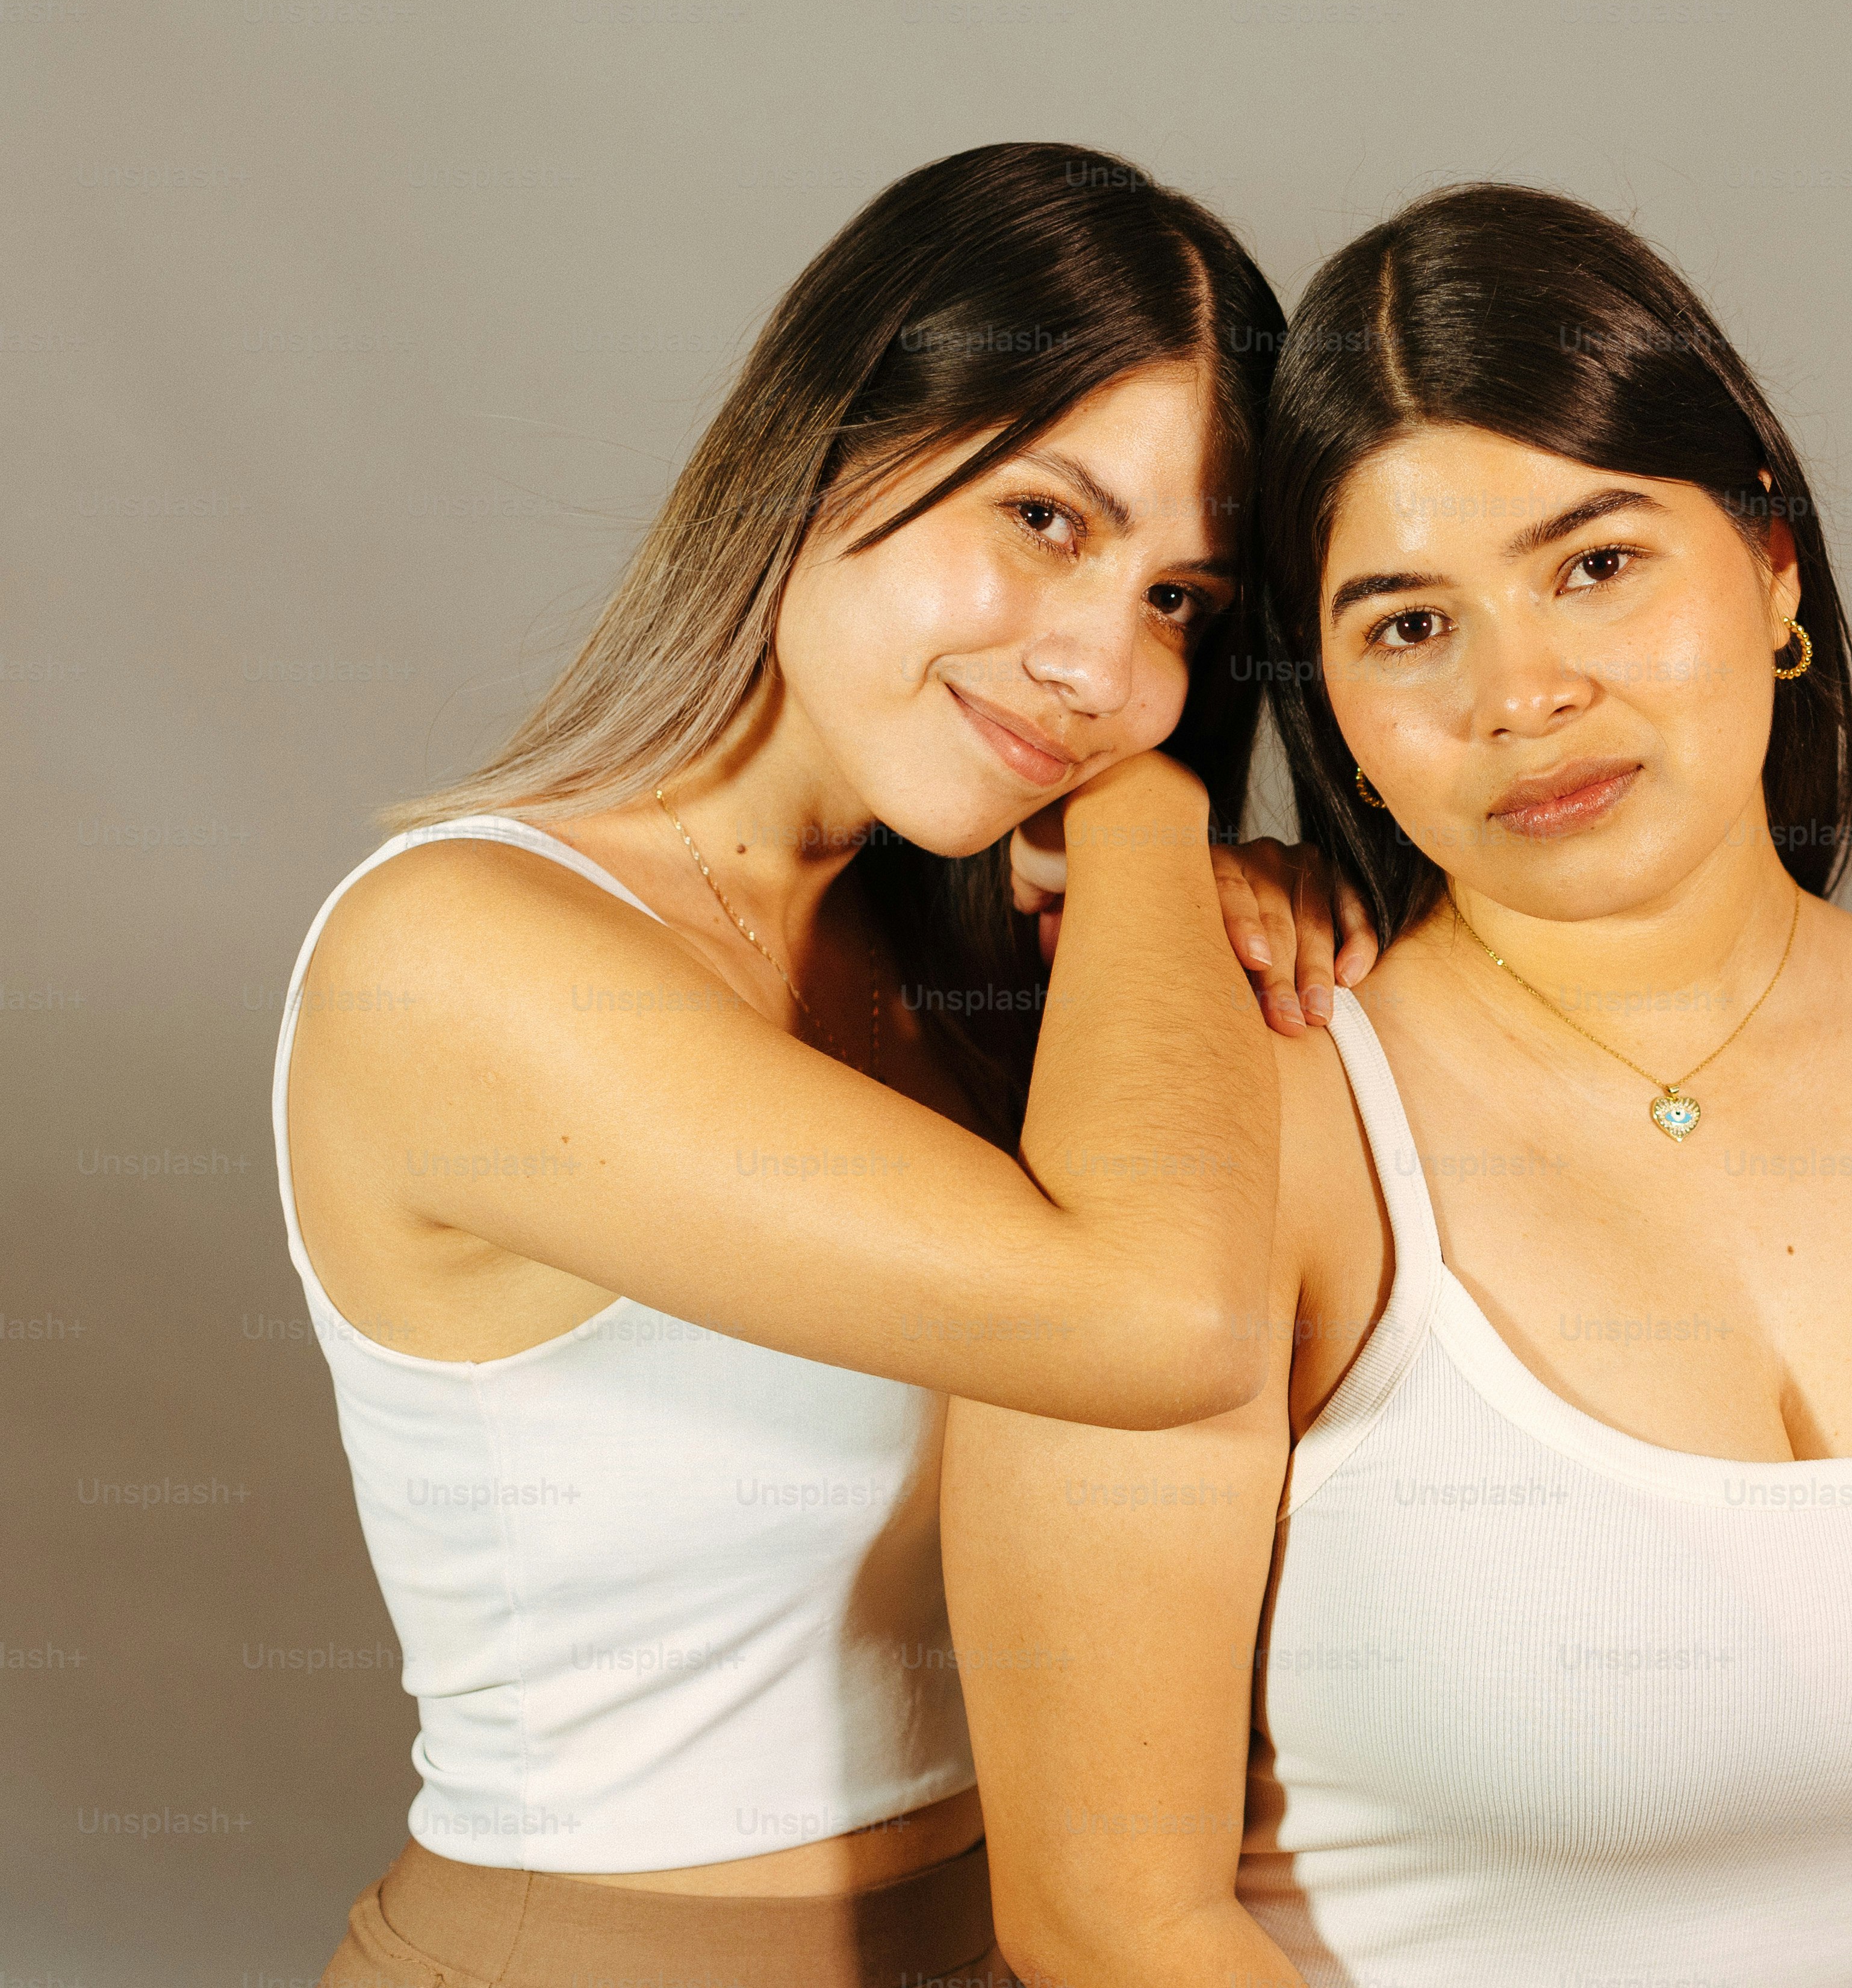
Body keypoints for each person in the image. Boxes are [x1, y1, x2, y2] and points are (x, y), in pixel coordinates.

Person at [940, 184, 1852, 1988]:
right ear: (1332, 705)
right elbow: (1102, 1917)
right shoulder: (1258, 1123)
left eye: (1595, 565)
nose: (1521, 694)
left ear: (1773, 568)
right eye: (1405, 626)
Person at [282, 143, 1356, 1988]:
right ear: (826, 448)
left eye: (1181, 601)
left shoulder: (959, 959)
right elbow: (1154, 1329)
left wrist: (1157, 928)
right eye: (1044, 519)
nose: (1104, 665)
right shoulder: (456, 955)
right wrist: (1154, 828)